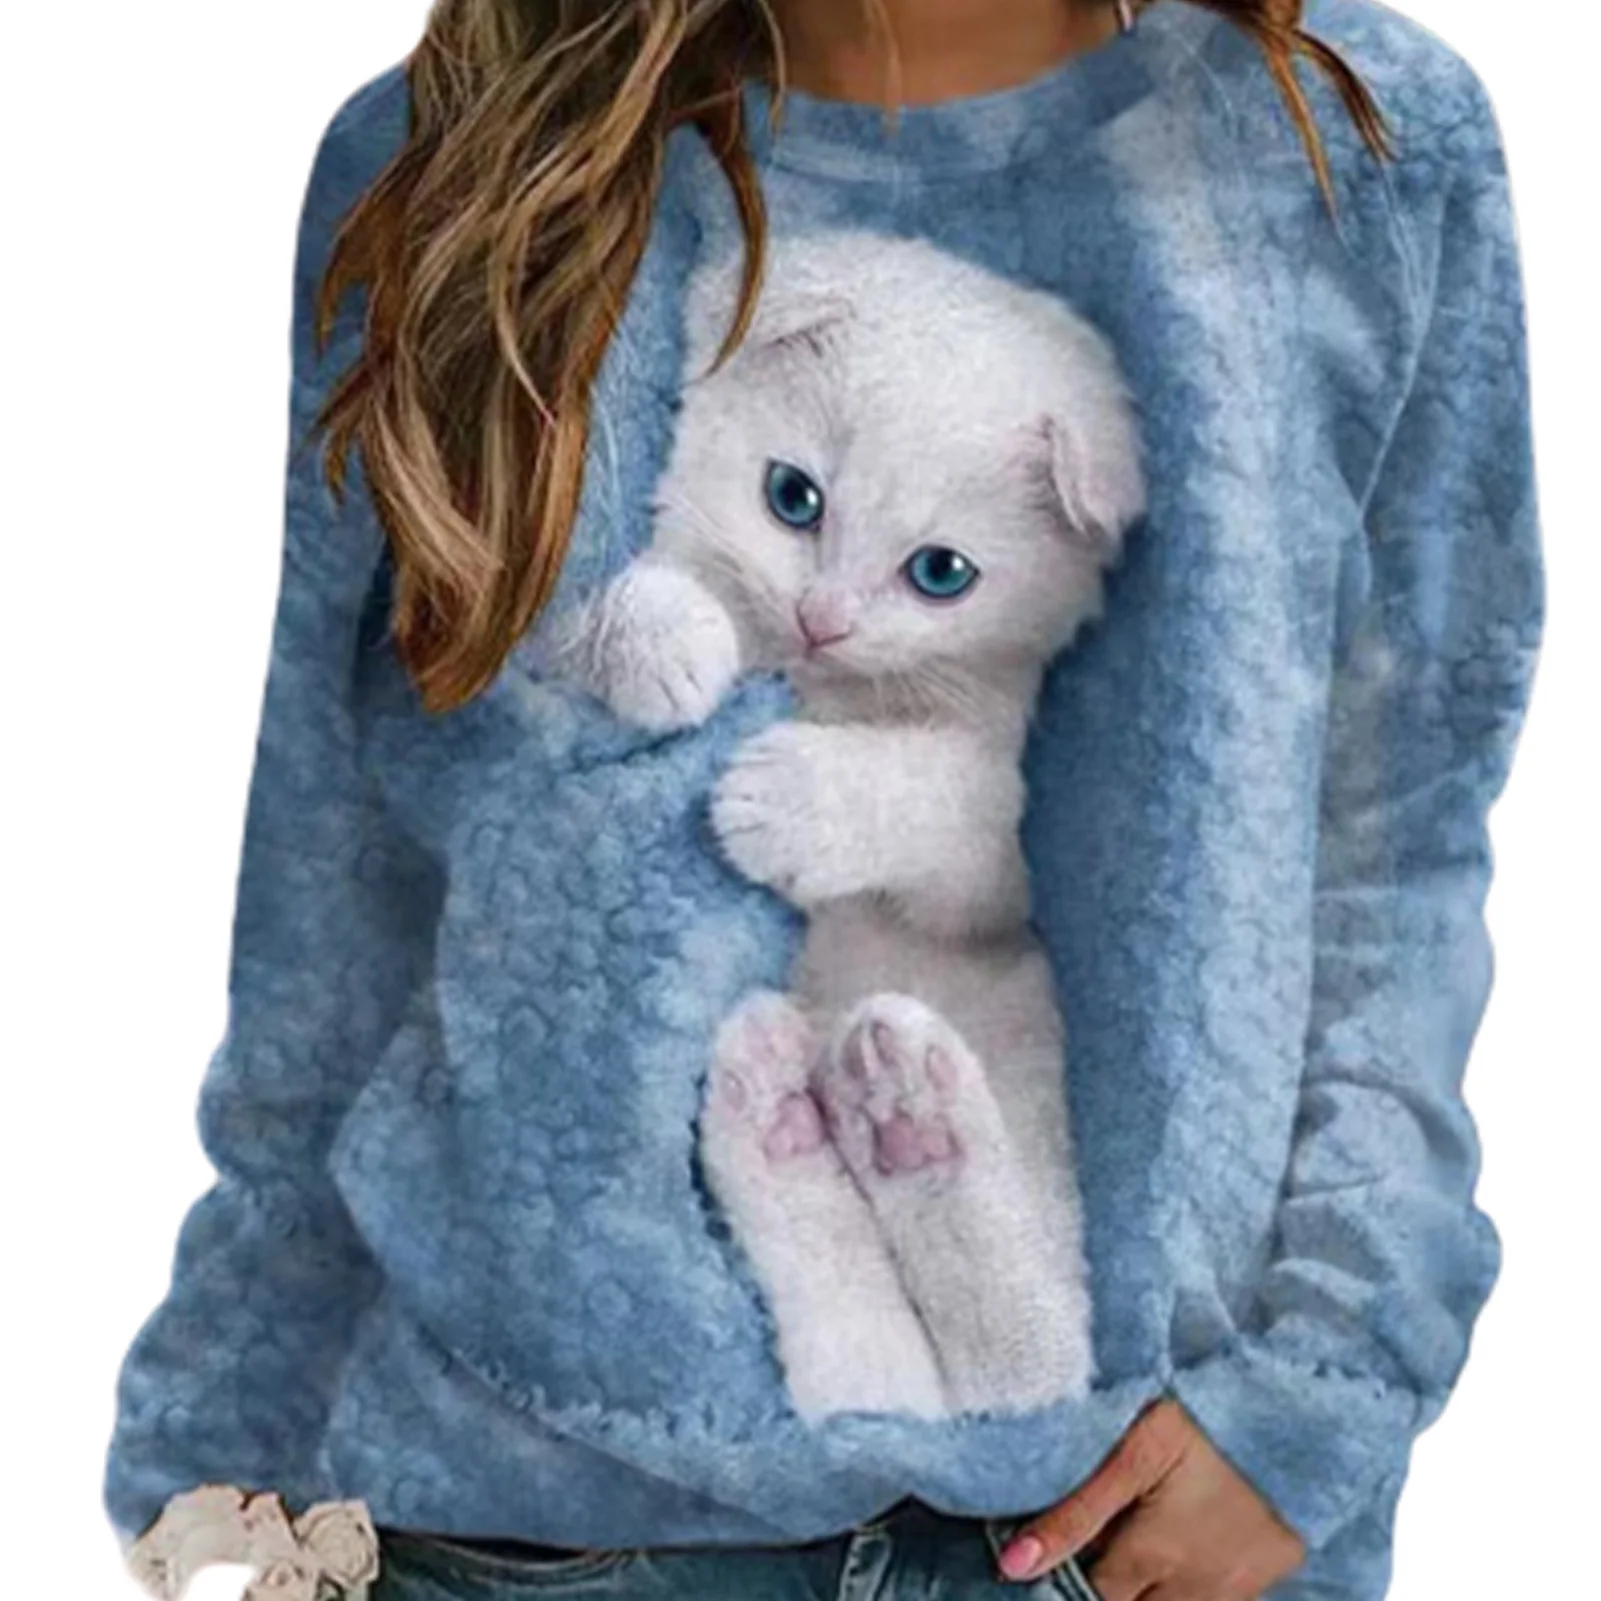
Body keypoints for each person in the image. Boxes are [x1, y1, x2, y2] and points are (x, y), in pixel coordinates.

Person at [102, 1, 1546, 1598]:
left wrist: (1319, 1392)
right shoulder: (453, 154)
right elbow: (339, 887)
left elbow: (1396, 846)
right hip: (519, 1521)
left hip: (1122, 1523)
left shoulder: (1356, 151)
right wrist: (218, 1435)